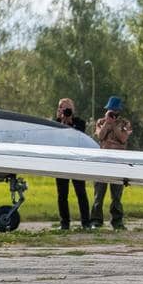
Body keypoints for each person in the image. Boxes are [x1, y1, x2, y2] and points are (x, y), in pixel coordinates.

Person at [90, 95, 132, 229]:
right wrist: (107, 123)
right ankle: (96, 220)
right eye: (110, 110)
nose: (113, 112)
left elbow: (123, 139)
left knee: (116, 194)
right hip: (103, 161)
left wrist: (114, 126)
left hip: (118, 162)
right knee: (99, 192)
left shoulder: (124, 123)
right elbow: (100, 136)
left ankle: (117, 221)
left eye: (115, 110)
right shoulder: (101, 122)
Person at [53, 98, 92, 230]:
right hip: (61, 162)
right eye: (63, 108)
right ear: (59, 110)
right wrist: (62, 122)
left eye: (68, 108)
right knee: (62, 194)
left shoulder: (79, 122)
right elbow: (54, 138)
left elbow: (79, 135)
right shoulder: (54, 124)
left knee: (81, 192)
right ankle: (64, 222)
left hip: (76, 161)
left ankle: (86, 222)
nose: (66, 111)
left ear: (73, 109)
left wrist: (69, 123)